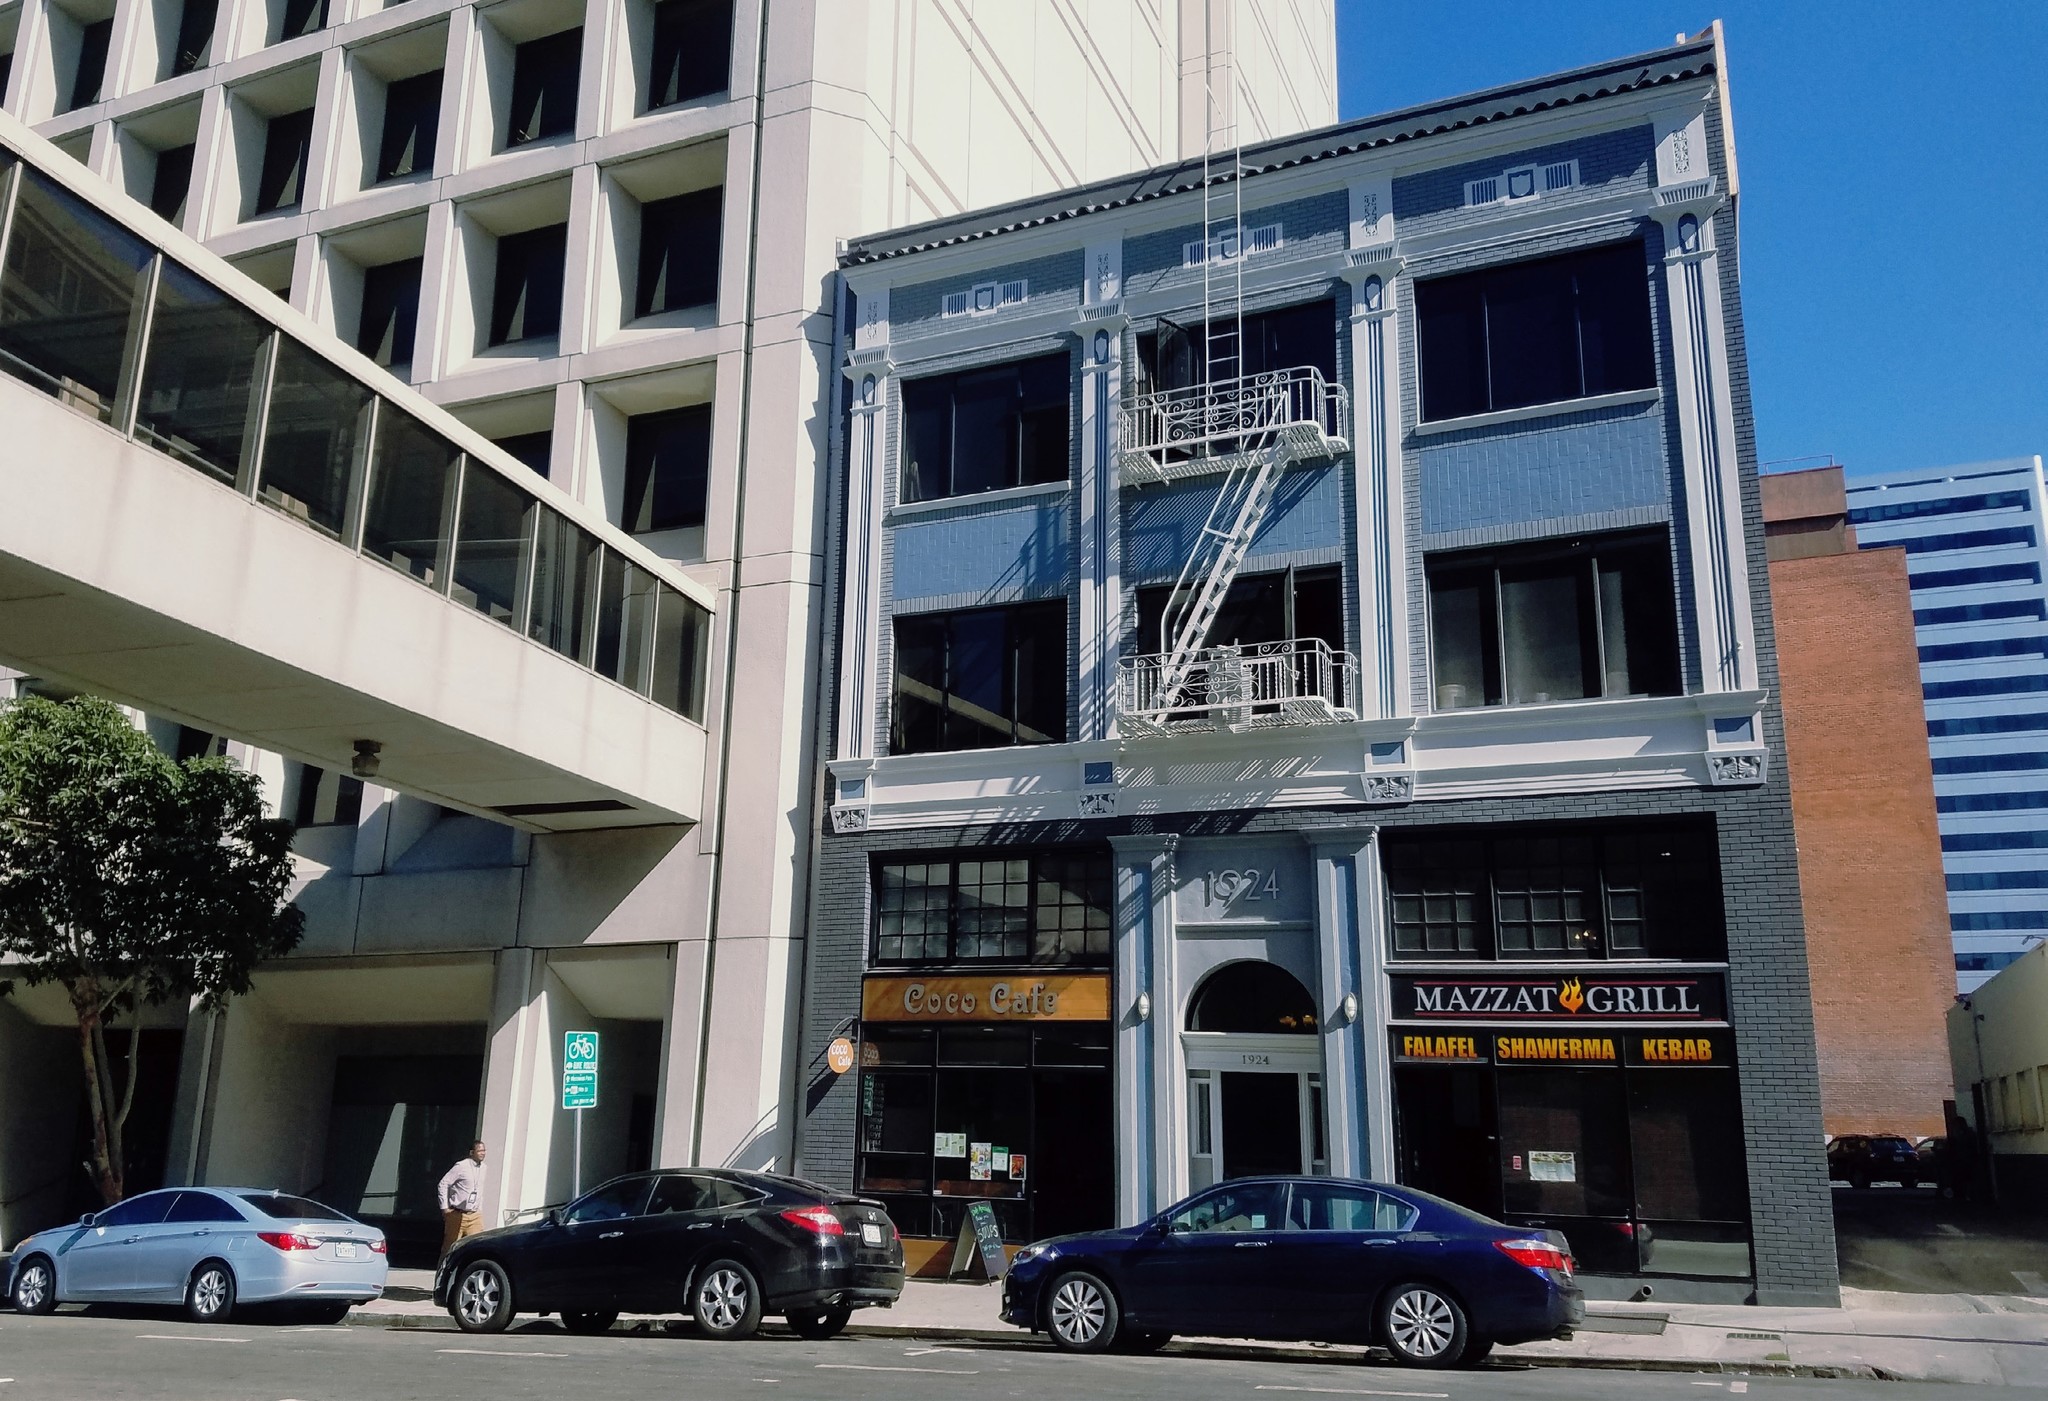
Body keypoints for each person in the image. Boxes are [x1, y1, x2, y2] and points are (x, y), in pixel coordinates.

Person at [438, 1140, 487, 1260]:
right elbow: (443, 1184)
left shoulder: (484, 1168)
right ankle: (442, 1275)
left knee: (477, 1247)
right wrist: (444, 1208)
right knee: (450, 1249)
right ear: (472, 1152)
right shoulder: (461, 1166)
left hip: (474, 1215)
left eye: (484, 1150)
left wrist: (479, 1208)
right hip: (457, 1214)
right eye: (480, 1150)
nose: (483, 1153)